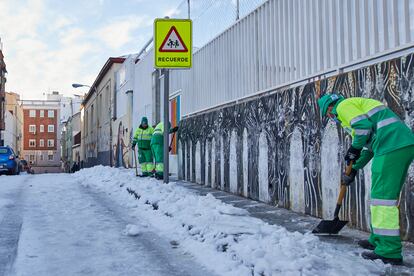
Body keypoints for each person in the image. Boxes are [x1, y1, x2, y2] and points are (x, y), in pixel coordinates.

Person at [318, 93, 414, 265]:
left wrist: (354, 148)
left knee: (382, 200)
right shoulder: (356, 106)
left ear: (330, 109)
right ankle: (377, 240)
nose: (331, 118)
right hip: (397, 144)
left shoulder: (343, 106)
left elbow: (362, 128)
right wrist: (354, 168)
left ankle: (389, 251)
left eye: (328, 115)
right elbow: (369, 147)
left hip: (390, 146)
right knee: (381, 197)